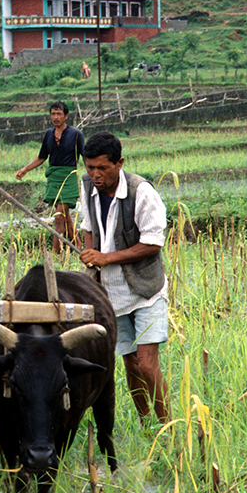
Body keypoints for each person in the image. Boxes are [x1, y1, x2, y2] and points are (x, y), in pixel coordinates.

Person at [78, 131, 169, 423]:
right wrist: (90, 252)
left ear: (119, 163)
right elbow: (88, 225)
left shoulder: (141, 192)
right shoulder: (87, 186)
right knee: (130, 362)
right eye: (90, 167)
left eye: (102, 168)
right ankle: (146, 424)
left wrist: (105, 257)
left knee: (146, 364)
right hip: (110, 293)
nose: (95, 174)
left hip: (145, 290)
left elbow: (153, 243)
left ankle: (168, 425)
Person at [15, 101, 84, 252]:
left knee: (59, 216)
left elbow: (85, 156)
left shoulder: (76, 134)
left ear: (66, 116)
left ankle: (56, 251)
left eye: (59, 114)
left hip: (69, 176)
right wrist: (25, 169)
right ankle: (78, 246)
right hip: (54, 177)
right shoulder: (48, 134)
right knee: (65, 216)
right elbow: (42, 157)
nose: (55, 117)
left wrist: (92, 176)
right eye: (53, 113)